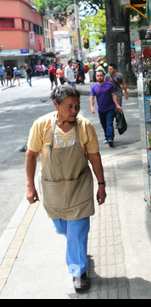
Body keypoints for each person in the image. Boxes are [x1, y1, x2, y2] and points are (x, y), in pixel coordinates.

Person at [25, 84, 107, 293]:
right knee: (63, 228)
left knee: (77, 230)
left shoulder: (85, 126)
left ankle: (78, 271)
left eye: (77, 106)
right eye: (69, 106)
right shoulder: (41, 125)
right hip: (53, 189)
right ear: (56, 105)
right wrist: (30, 187)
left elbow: (94, 156)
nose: (74, 111)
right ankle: (76, 248)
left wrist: (101, 184)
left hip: (79, 185)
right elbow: (31, 155)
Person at [90, 69, 123, 147]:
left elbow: (114, 95)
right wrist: (92, 106)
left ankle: (110, 138)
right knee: (104, 124)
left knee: (109, 123)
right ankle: (106, 136)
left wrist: (117, 105)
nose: (99, 77)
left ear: (103, 76)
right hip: (101, 109)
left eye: (101, 75)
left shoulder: (109, 85)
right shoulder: (94, 87)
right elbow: (92, 97)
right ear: (96, 77)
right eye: (98, 76)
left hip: (110, 108)